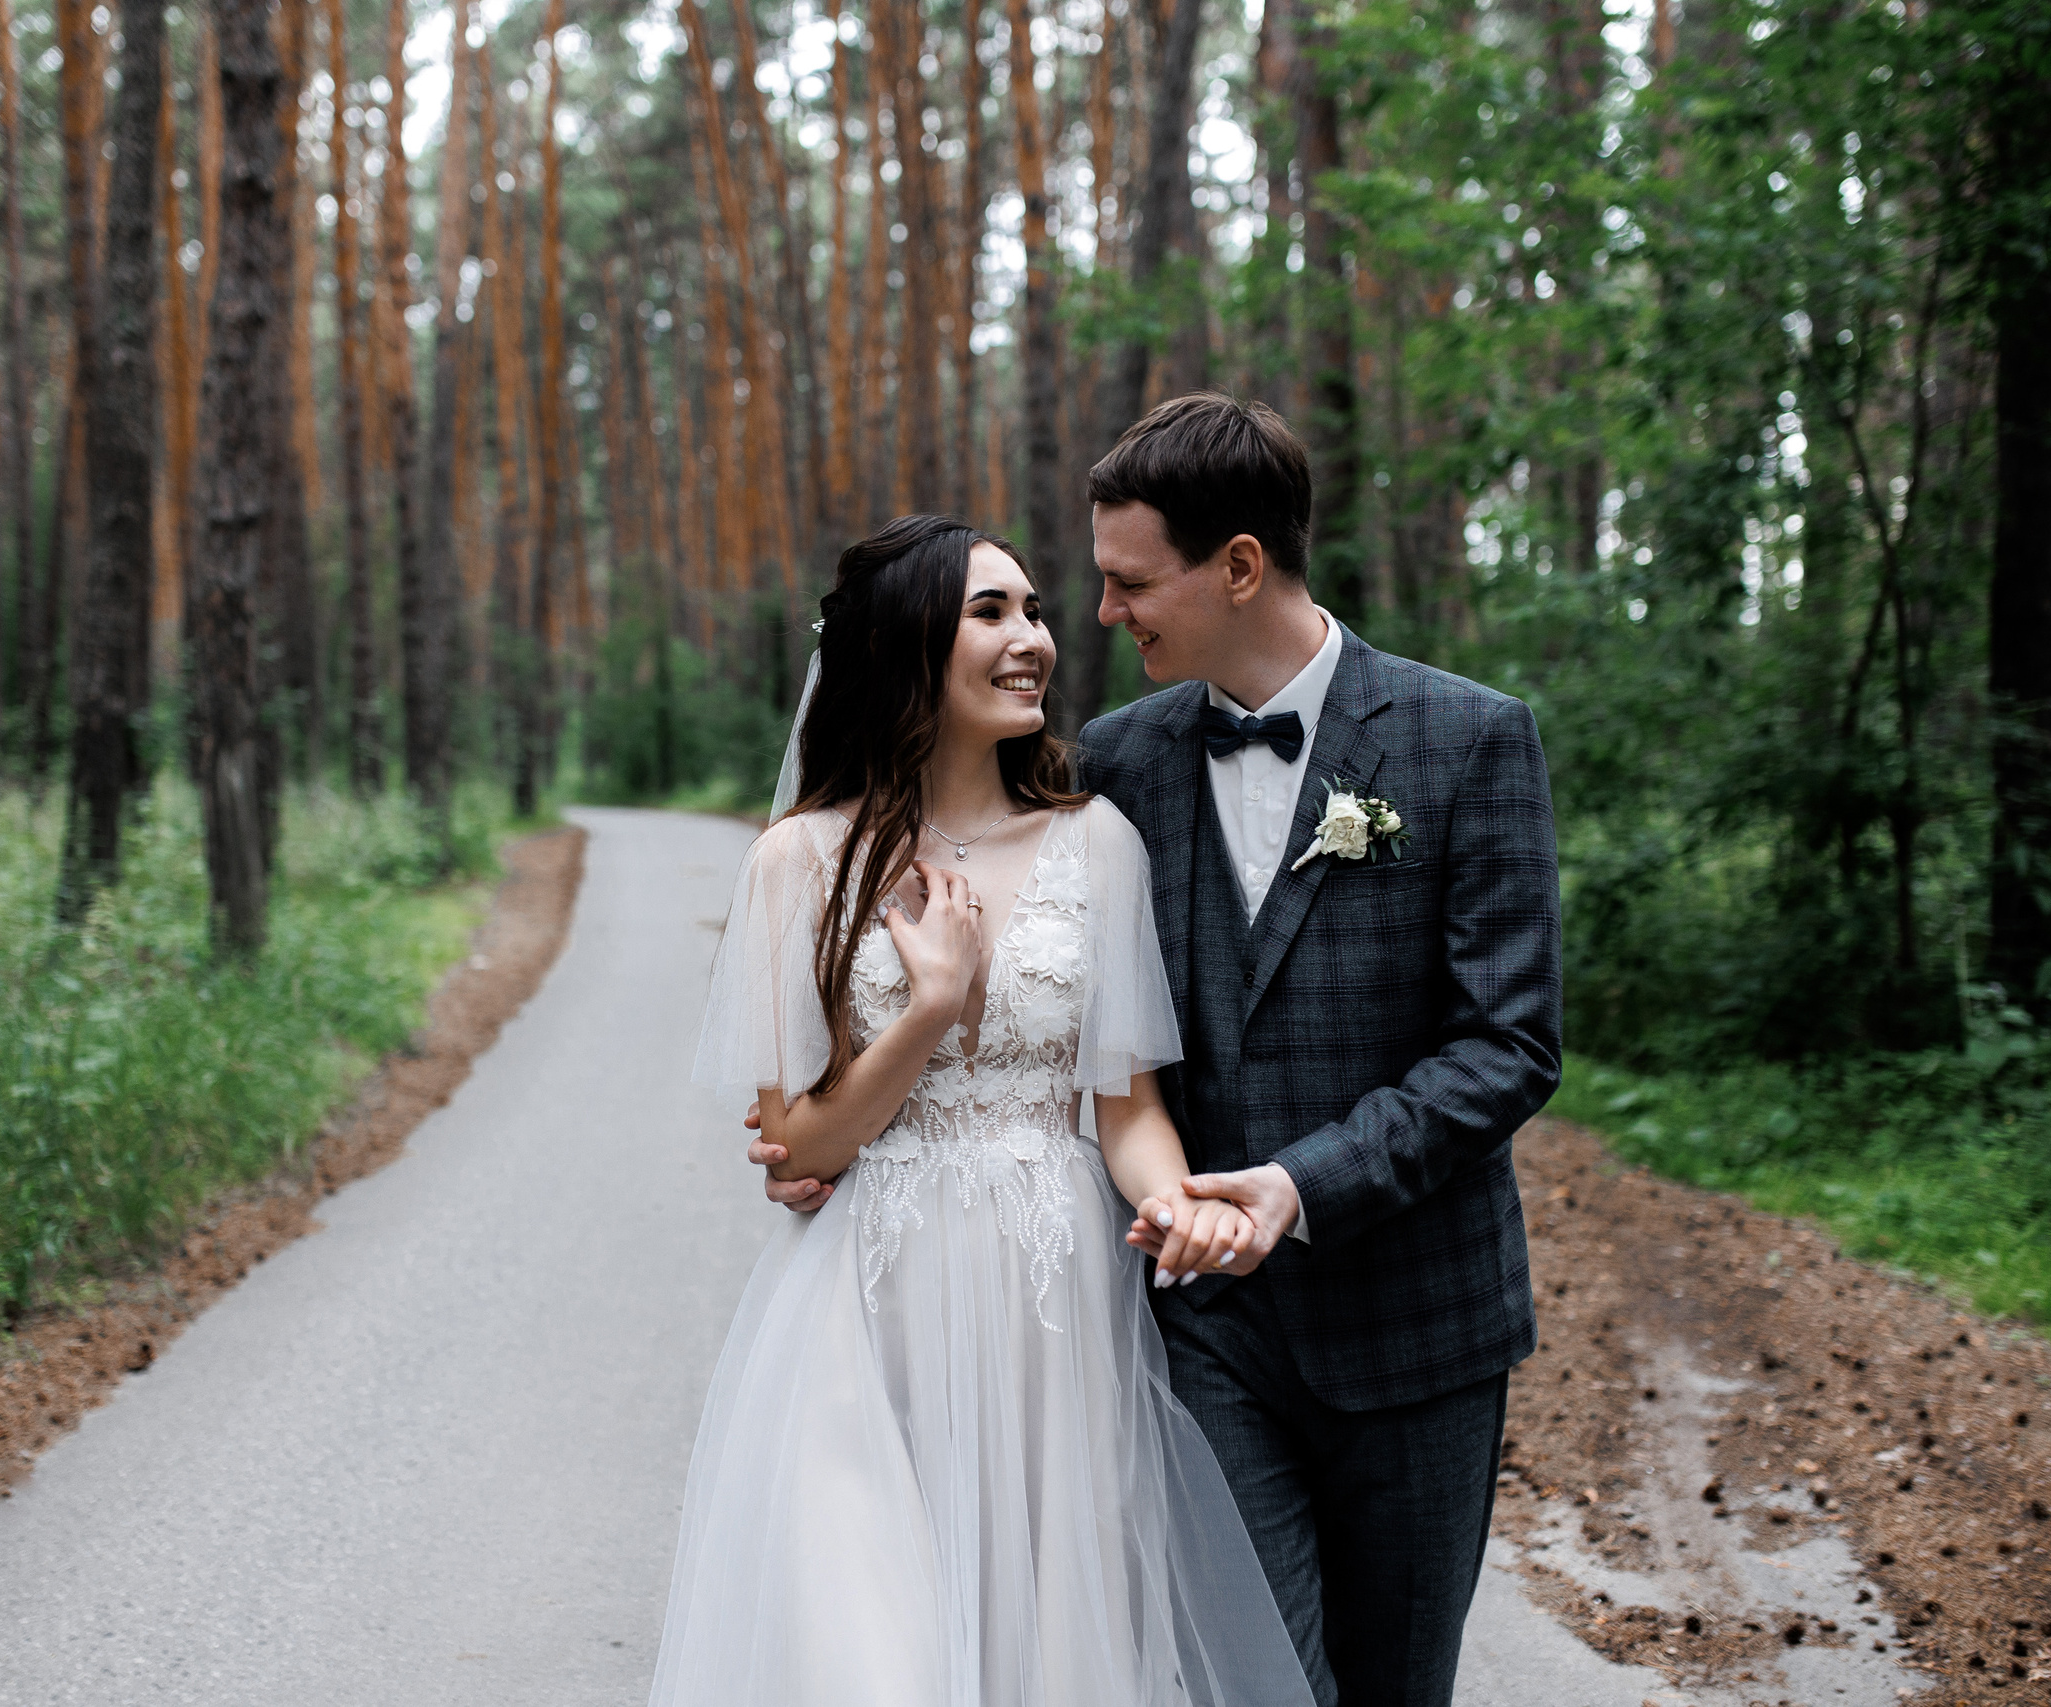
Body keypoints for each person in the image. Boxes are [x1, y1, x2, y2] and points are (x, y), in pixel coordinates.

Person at [755, 395, 1564, 1707]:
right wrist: (844, 1125)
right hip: (1197, 1336)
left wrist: (1296, 1187)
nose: (1100, 614)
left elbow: (1507, 1046)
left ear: (1237, 565)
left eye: (1129, 581)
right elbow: (1053, 1006)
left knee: (1396, 1685)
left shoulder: (1466, 739)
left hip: (1415, 1320)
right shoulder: (1113, 768)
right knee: (1241, 1677)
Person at [654, 514, 1316, 1707]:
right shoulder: (796, 863)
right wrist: (930, 1005)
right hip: (866, 1304)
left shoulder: (1094, 843)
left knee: (1045, 1648)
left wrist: (1179, 1205)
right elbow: (799, 1138)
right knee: (871, 1660)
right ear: (904, 645)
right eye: (990, 613)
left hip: (1052, 1311)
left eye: (1034, 611)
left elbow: (1125, 1110)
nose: (1034, 640)